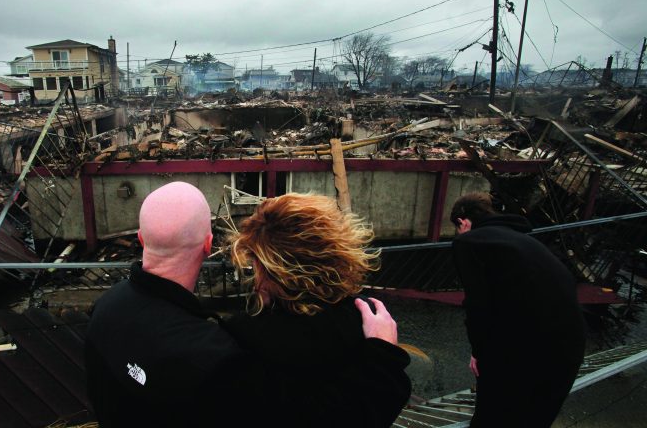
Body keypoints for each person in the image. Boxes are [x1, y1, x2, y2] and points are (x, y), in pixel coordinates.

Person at [85, 182, 410, 427]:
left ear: (141, 239)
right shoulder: (216, 358)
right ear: (208, 244)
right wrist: (383, 356)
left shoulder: (105, 309)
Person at [225, 192, 412, 427]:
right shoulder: (365, 319)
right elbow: (383, 402)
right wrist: (384, 353)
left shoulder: (240, 335)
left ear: (268, 268)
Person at [450, 192, 586, 428]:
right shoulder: (524, 241)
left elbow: (478, 304)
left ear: (463, 222)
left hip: (525, 350)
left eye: (458, 228)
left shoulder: (469, 242)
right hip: (569, 348)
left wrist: (479, 351)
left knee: (491, 417)